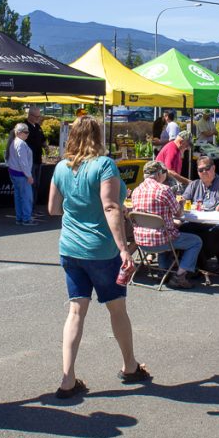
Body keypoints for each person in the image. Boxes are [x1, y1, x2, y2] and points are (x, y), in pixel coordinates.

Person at [48, 115, 149, 399]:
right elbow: (110, 207)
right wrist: (123, 248)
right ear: (98, 137)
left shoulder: (60, 168)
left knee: (76, 311)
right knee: (117, 309)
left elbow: (54, 208)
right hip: (101, 249)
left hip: (70, 247)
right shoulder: (104, 165)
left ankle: (67, 378)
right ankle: (129, 366)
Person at [131, 160, 203, 289]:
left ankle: (163, 270)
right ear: (159, 174)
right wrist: (181, 202)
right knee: (196, 241)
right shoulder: (164, 190)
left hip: (141, 242)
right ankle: (180, 276)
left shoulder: (136, 191)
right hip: (161, 240)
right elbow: (179, 213)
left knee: (167, 231)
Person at [179, 156, 219, 272]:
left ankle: (200, 263)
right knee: (182, 229)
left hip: (217, 222)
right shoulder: (194, 184)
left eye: (206, 168)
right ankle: (191, 263)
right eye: (200, 170)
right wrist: (181, 202)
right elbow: (184, 198)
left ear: (213, 168)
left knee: (217, 232)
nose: (203, 172)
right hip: (197, 221)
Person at [6, 122, 38, 226]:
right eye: (26, 132)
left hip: (14, 173)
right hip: (21, 175)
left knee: (19, 197)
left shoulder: (14, 141)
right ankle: (26, 219)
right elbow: (23, 162)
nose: (27, 134)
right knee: (26, 197)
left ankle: (20, 218)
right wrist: (29, 176)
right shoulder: (21, 143)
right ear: (19, 133)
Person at [24, 107, 48, 219]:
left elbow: (43, 139)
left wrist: (46, 146)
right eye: (37, 116)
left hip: (38, 160)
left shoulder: (38, 126)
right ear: (30, 115)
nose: (39, 119)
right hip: (29, 161)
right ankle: (28, 209)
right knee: (30, 185)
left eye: (39, 116)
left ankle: (33, 208)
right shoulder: (24, 127)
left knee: (36, 185)